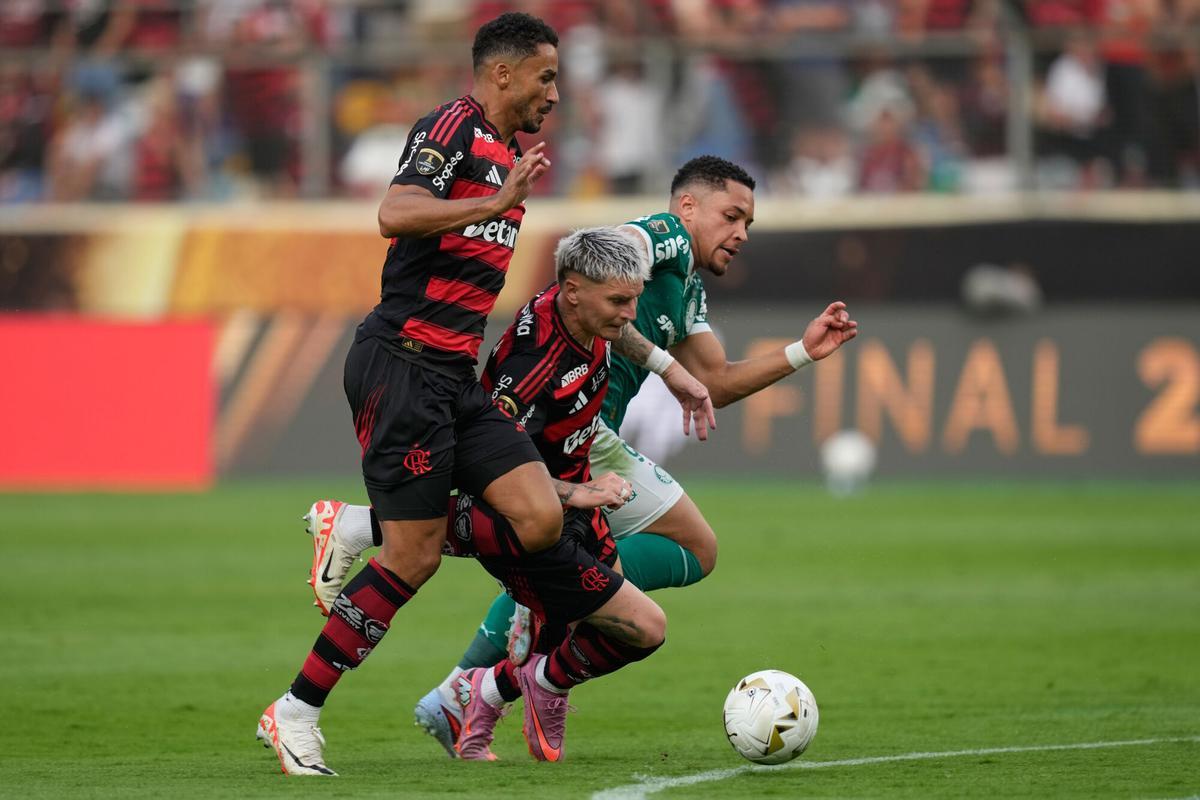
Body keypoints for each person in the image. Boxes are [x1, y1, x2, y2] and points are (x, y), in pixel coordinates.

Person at [256, 13, 712, 777]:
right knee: (413, 560)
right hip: (401, 364)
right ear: (503, 73)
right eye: (545, 77)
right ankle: (296, 710)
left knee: (538, 516)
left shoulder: (509, 159)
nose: (555, 94)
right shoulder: (454, 129)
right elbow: (393, 213)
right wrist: (491, 204)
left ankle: (367, 531)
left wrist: (664, 363)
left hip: (451, 379)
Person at [300, 155, 859, 758]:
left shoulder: (687, 288)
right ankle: (482, 666)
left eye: (748, 222)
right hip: (572, 432)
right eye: (732, 216)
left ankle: (478, 672)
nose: (741, 232)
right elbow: (606, 258)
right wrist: (664, 364)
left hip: (591, 433)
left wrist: (802, 352)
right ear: (688, 207)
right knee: (632, 560)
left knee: (615, 560)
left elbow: (715, 381)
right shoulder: (664, 236)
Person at [445, 225, 668, 762]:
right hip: (535, 523)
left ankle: (482, 701)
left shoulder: (583, 313)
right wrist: (577, 493)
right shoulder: (533, 361)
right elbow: (487, 466)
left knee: (577, 629)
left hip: (575, 507)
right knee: (644, 628)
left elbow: (617, 326)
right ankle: (522, 683)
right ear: (572, 290)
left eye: (634, 299)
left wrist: (671, 371)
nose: (629, 314)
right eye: (618, 302)